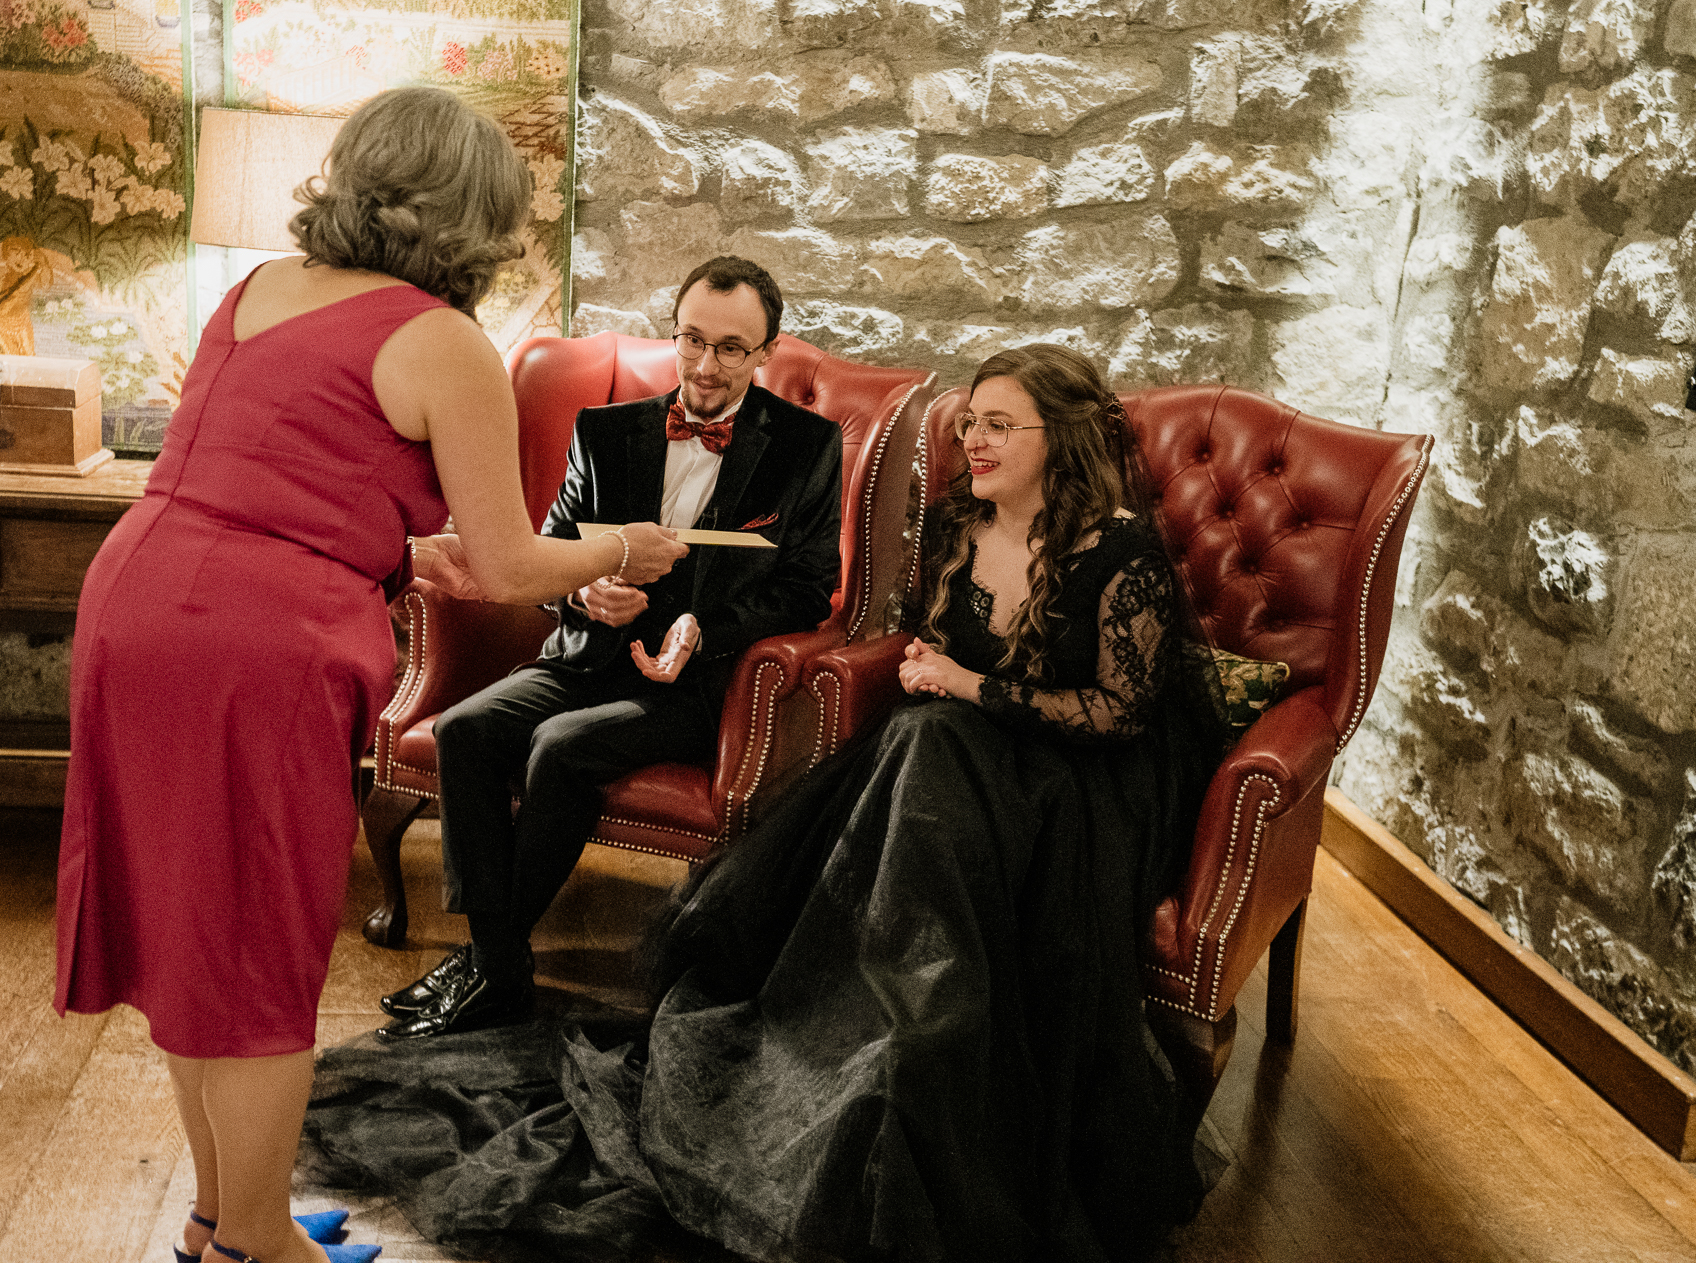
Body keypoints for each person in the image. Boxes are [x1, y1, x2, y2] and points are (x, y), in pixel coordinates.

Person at [303, 343, 1231, 1262]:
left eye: (999, 426)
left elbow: (1118, 714)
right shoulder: (957, 524)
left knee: (926, 740)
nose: (975, 443)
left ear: (1058, 438)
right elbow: (923, 637)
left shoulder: (1118, 552)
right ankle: (853, 1005)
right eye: (972, 423)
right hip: (952, 755)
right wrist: (923, 665)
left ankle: (923, 1018)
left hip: (1080, 780)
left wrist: (961, 685)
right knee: (917, 742)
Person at [52, 87, 688, 1263]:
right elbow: (507, 562)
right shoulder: (444, 341)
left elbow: (266, 477)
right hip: (248, 645)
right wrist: (621, 548)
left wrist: (395, 546)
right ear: (476, 217)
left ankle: (219, 1218)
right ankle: (258, 1245)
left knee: (199, 938)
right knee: (256, 948)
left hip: (137, 599)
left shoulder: (255, 290)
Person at [374, 255, 845, 1041]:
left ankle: (485, 966)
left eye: (732, 347)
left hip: (698, 685)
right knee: (467, 729)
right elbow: (550, 552)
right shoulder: (605, 429)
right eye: (693, 339)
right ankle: (498, 963)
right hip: (583, 655)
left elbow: (806, 590)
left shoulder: (806, 447)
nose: (706, 363)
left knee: (559, 749)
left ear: (765, 352)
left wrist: (706, 628)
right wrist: (582, 590)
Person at [0, 234, 48, 355]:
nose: (20, 259)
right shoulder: (1, 278)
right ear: (6, 258)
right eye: (15, 254)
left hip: (22, 321)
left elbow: (46, 283)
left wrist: (42, 262)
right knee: (10, 356)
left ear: (30, 258)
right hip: (2, 323)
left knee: (28, 354)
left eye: (25, 255)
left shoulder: (31, 275)